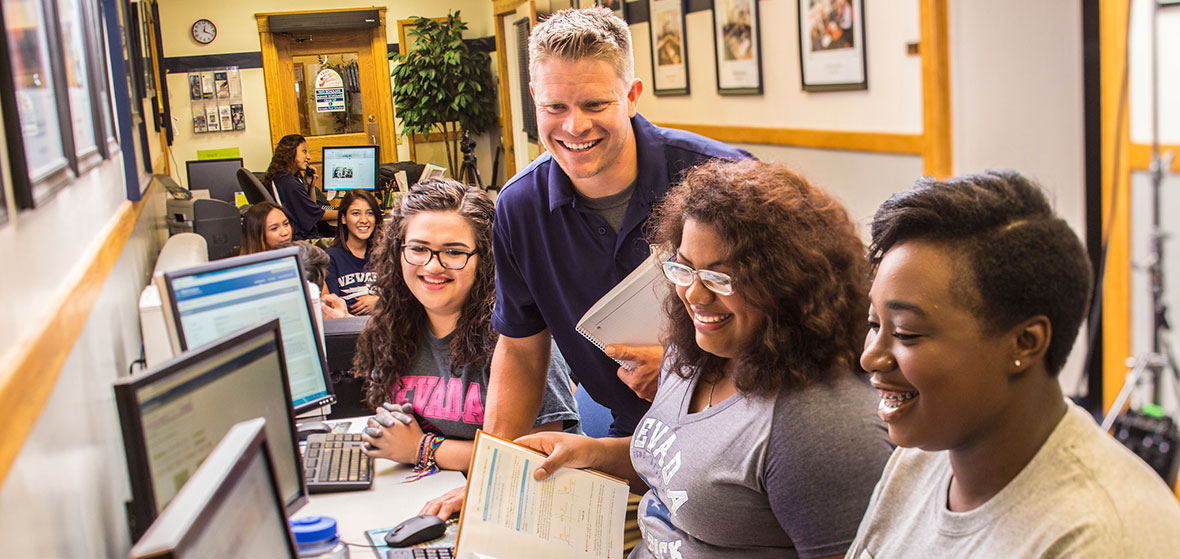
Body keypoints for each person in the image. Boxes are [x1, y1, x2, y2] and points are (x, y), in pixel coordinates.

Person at [517, 159, 893, 558]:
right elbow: (688, 470)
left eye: (719, 278)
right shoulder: (697, 348)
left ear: (789, 283)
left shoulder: (819, 426)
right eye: (684, 269)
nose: (695, 296)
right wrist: (591, 452)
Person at [846, 170, 1180, 557]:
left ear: (1025, 342)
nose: (870, 356)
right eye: (874, 324)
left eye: (906, 333)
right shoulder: (921, 458)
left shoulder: (1102, 538)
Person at [485, 6, 752, 444]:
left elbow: (794, 324)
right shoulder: (519, 208)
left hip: (743, 427)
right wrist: (487, 478)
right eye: (555, 106)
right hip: (636, 438)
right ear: (535, 99)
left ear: (631, 96)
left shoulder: (722, 179)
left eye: (595, 103)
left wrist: (679, 368)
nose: (574, 126)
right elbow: (521, 350)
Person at [354, 178, 580, 479]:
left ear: (485, 258)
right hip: (430, 487)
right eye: (419, 248)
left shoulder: (518, 335)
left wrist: (422, 448)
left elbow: (541, 455)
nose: (433, 266)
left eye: (454, 252)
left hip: (522, 500)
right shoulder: (391, 327)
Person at [263, 134, 336, 240]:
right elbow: (317, 215)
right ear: (290, 152)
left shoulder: (283, 177)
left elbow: (311, 208)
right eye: (304, 151)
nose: (309, 157)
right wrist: (349, 212)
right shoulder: (289, 184)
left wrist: (311, 186)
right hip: (302, 241)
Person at [325, 189, 382, 315]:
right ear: (344, 218)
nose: (364, 220)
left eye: (370, 213)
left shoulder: (385, 254)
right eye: (356, 213)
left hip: (384, 327)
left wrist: (380, 301)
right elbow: (332, 309)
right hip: (348, 328)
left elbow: (400, 298)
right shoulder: (330, 258)